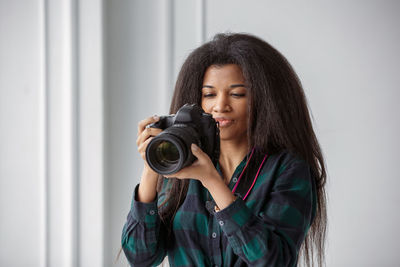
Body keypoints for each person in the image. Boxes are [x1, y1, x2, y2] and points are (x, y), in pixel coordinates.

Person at [121, 32, 327, 266]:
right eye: (209, 94)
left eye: (237, 94)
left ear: (266, 99)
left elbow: (272, 260)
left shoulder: (288, 170)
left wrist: (213, 182)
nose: (220, 106)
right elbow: (140, 257)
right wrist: (152, 167)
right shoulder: (180, 164)